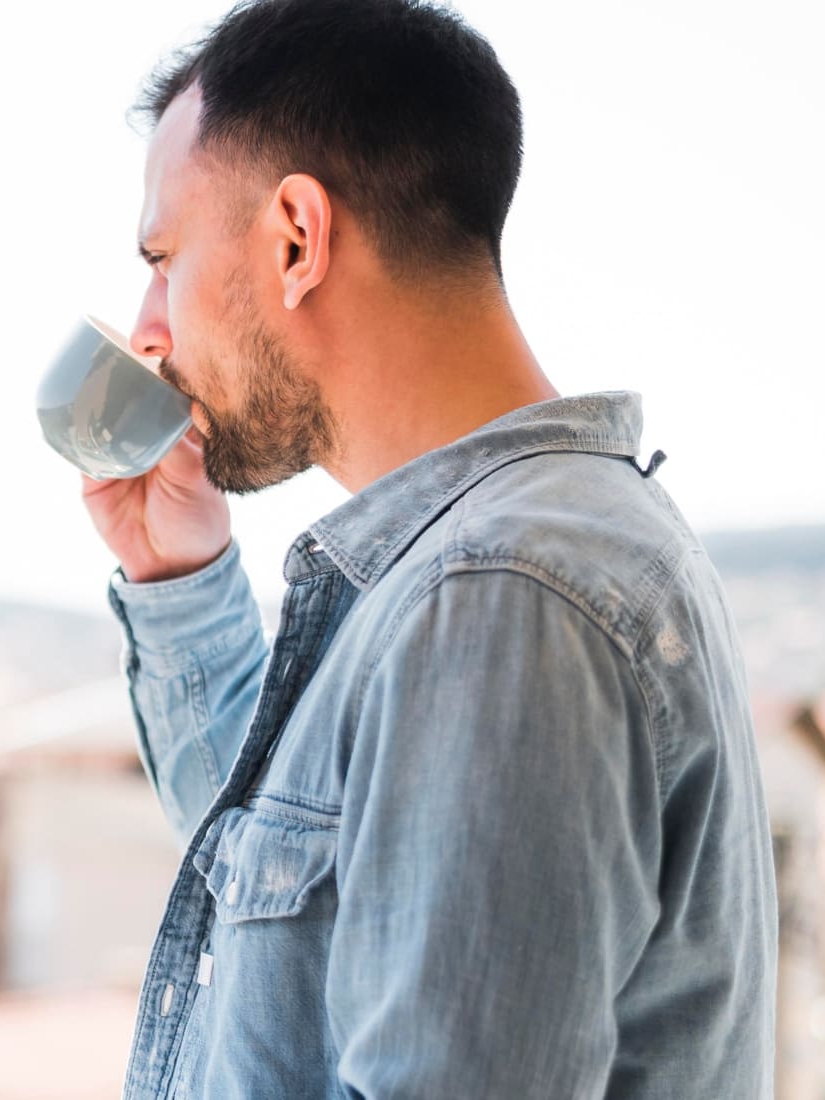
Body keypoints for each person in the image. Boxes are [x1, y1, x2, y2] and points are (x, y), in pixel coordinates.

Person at [79, 0, 778, 1096]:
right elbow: (284, 901)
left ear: (295, 238)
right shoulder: (495, 561)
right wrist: (178, 576)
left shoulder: (498, 593)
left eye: (164, 257)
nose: (148, 324)